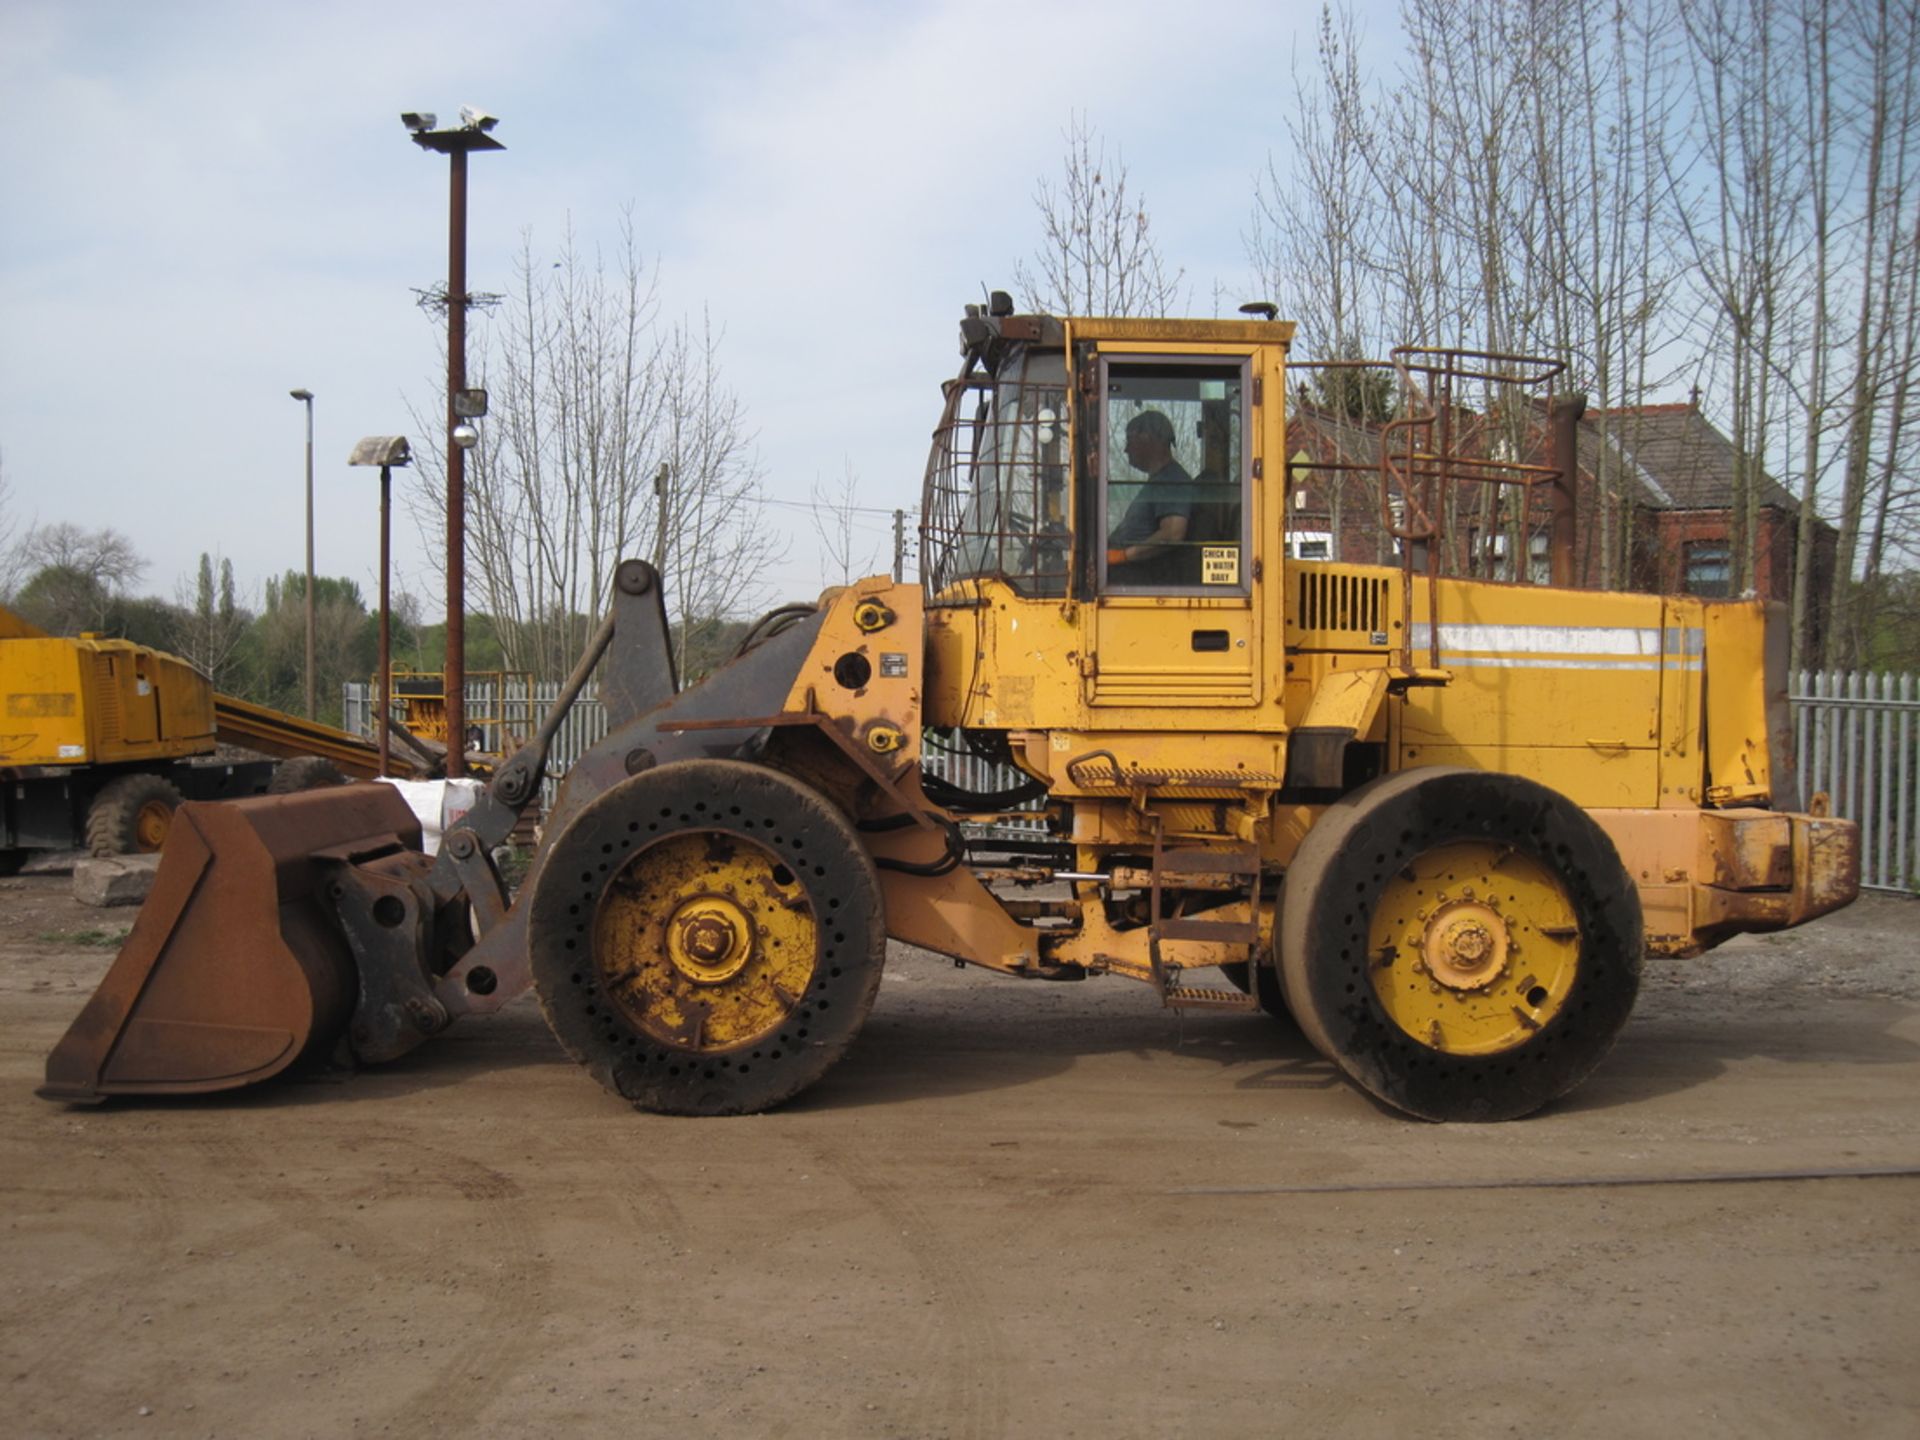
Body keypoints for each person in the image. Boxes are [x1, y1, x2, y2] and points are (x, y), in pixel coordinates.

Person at [1106, 409, 1197, 585]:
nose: (1125, 449)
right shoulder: (1159, 481)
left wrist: (1122, 555)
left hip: (1142, 580)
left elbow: (1172, 533)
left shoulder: (1172, 480)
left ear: (1149, 439)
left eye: (1130, 441)